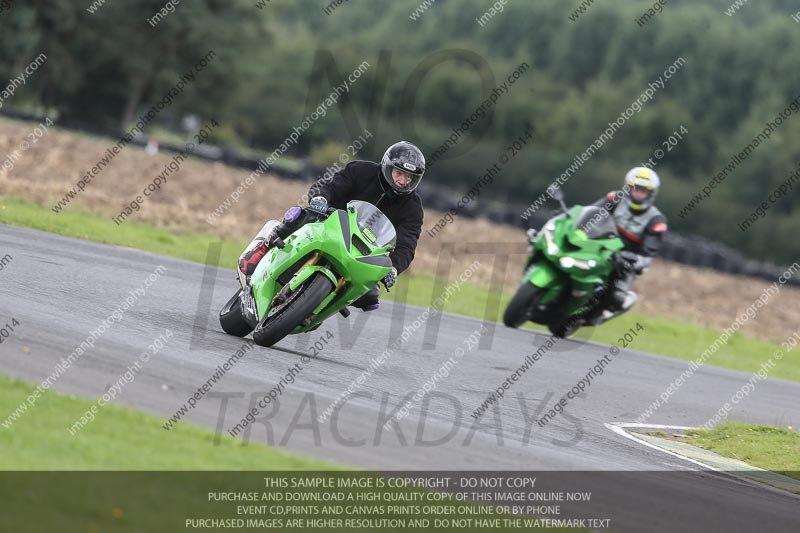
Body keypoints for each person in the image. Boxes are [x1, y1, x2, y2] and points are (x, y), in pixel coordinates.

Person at [238, 141, 425, 311]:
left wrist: (393, 268)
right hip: (330, 224)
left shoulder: (413, 208)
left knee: (370, 297)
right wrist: (320, 199)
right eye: (399, 173)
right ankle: (265, 246)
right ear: (387, 166)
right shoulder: (361, 171)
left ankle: (328, 304)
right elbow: (330, 186)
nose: (402, 181)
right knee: (304, 214)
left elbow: (407, 244)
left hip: (365, 251)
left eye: (409, 177)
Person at [584, 166, 668, 325]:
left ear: (651, 194)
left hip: (624, 262)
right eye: (636, 189)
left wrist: (634, 262)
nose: (638, 193)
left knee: (616, 298)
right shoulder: (613, 199)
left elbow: (648, 254)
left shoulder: (657, 220)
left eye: (643, 191)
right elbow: (590, 214)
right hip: (598, 248)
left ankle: (602, 312)